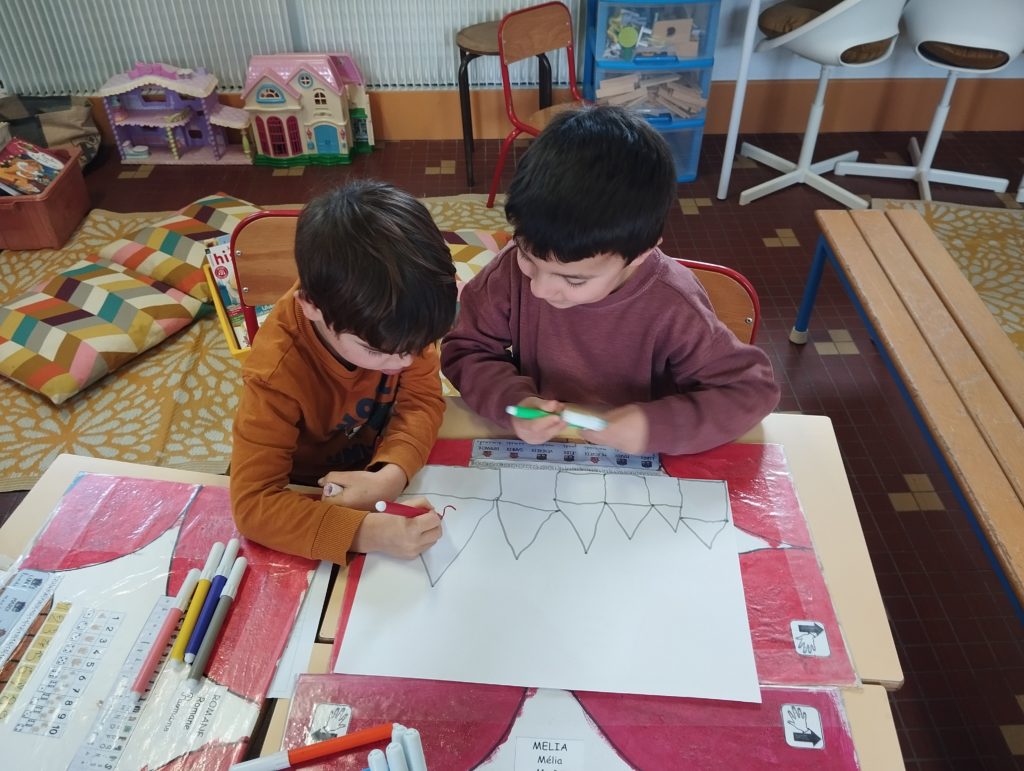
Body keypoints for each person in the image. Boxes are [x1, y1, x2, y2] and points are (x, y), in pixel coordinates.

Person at [442, 106, 780, 456]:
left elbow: (751, 391)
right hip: (544, 446)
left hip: (637, 458)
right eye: (528, 257)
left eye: (573, 280)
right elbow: (466, 351)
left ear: (639, 254)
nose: (539, 289)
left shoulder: (673, 304)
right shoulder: (508, 270)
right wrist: (513, 401)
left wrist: (654, 426)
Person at [230, 181, 458, 564]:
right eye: (376, 352)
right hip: (306, 492)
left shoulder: (405, 319)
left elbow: (421, 401)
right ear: (311, 307)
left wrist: (390, 475)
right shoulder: (276, 372)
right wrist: (365, 532)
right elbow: (254, 505)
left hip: (374, 470)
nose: (404, 362)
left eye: (417, 346)